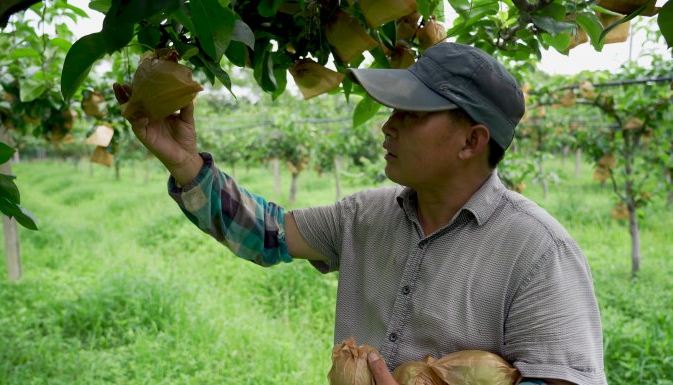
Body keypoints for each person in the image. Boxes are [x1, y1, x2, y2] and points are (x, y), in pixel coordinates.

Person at [113, 42, 607, 385]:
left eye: (409, 115)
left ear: (471, 140)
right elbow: (264, 235)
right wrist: (184, 164)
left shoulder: (538, 251)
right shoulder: (366, 215)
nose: (387, 127)